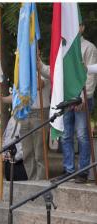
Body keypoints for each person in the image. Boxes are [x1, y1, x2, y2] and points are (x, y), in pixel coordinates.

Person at [49, 23, 97, 183]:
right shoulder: (62, 48)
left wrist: (85, 96)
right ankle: (68, 170)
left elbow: (91, 75)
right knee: (66, 135)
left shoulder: (89, 47)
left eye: (77, 25)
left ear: (82, 27)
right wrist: (39, 65)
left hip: (82, 97)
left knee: (83, 135)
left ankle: (83, 172)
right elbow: (54, 72)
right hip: (66, 98)